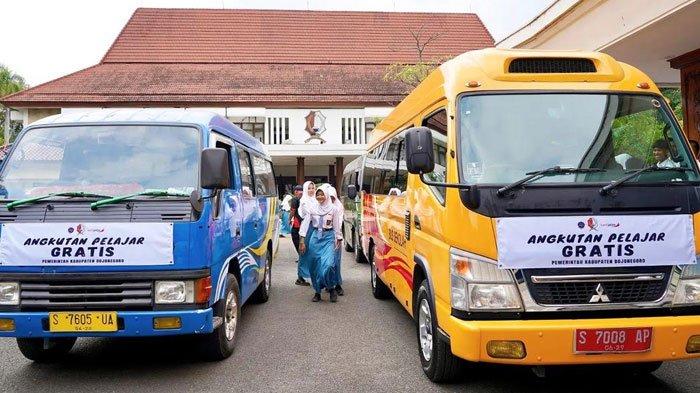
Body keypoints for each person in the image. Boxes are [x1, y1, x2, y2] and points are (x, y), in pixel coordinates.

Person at [299, 185, 343, 302]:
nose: (319, 196)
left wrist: (338, 238)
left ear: (326, 195)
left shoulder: (334, 209)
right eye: (317, 194)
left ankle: (331, 287)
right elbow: (305, 223)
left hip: (329, 237)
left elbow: (336, 225)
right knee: (314, 266)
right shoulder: (313, 208)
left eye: (322, 194)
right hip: (315, 238)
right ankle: (317, 291)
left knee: (328, 265)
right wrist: (302, 240)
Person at [292, 181, 316, 286]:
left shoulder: (317, 199)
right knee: (304, 251)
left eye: (313, 188)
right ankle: (300, 277)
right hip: (307, 229)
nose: (311, 190)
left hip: (316, 228)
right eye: (309, 188)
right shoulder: (304, 201)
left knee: (315, 252)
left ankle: (314, 275)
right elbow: (308, 214)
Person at [326, 185, 344, 296]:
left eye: (333, 198)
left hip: (336, 236)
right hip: (324, 238)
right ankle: (328, 284)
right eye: (329, 198)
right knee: (327, 263)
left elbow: (339, 223)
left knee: (336, 262)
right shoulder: (320, 206)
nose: (331, 200)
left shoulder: (338, 207)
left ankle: (337, 284)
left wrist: (337, 236)